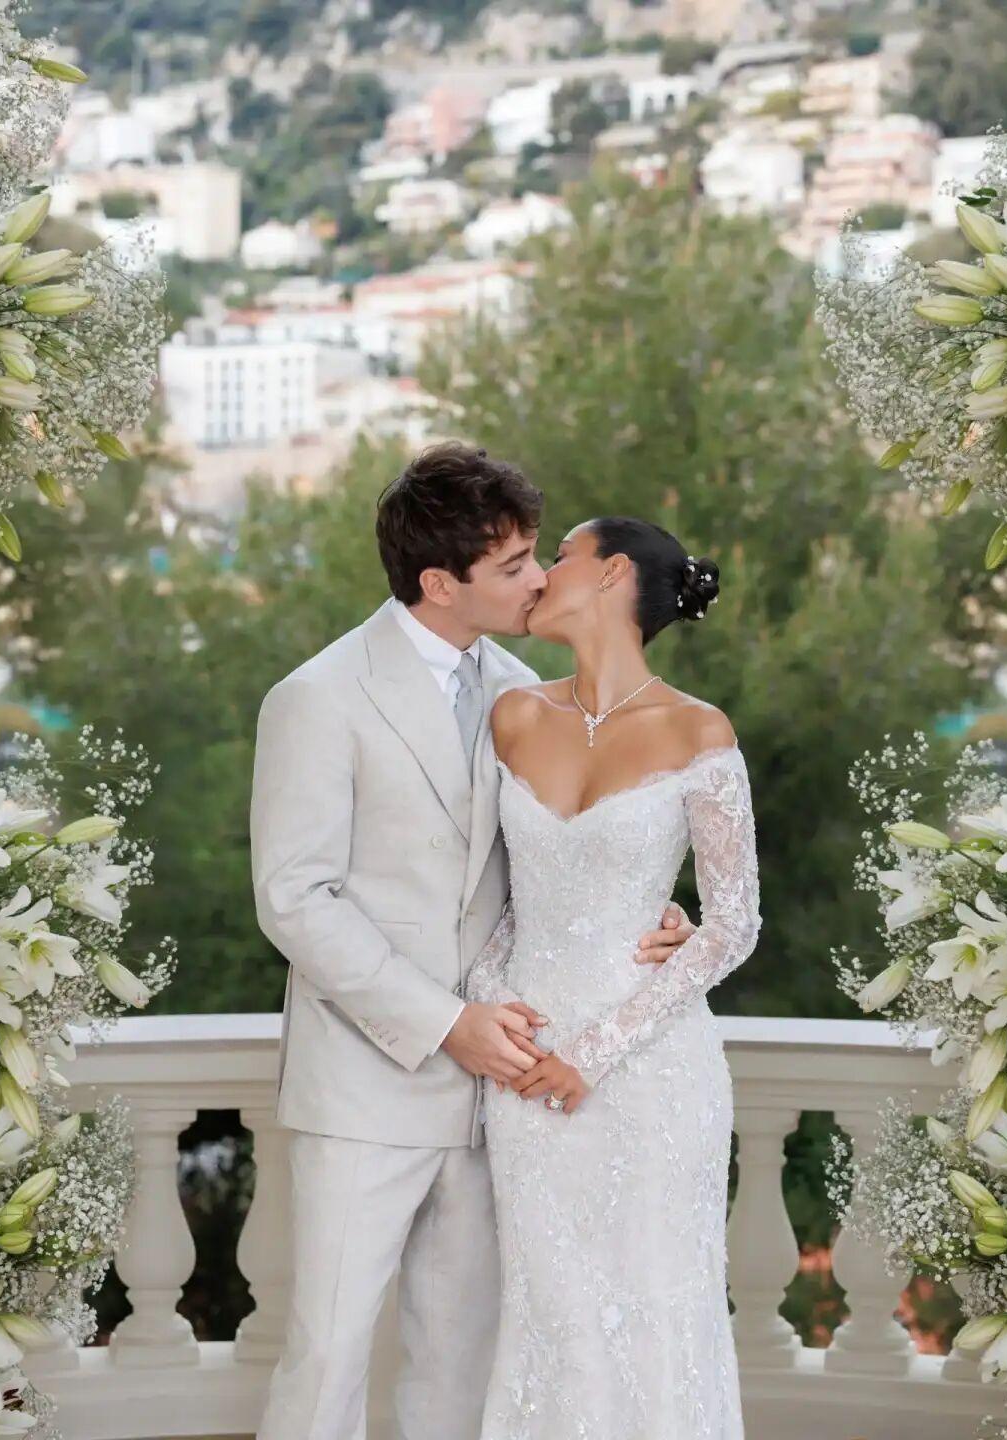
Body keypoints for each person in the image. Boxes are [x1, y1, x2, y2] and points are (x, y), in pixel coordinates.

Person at [248, 444, 692, 1440]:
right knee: (325, 1360)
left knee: (461, 1367)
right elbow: (295, 898)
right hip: (364, 1087)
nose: (540, 580)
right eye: (515, 564)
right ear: (440, 583)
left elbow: (555, 864)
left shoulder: (523, 692)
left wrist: (656, 920)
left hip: (502, 1098)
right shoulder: (317, 697)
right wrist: (447, 1023)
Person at [465, 515, 763, 1440]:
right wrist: (490, 1004)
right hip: (528, 1072)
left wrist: (592, 1053)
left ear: (611, 574)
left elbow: (734, 924)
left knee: (659, 1319)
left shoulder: (698, 730)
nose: (540, 574)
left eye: (559, 557)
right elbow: (497, 903)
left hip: (651, 1074)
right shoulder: (514, 716)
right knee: (552, 1319)